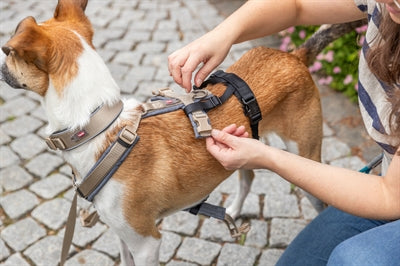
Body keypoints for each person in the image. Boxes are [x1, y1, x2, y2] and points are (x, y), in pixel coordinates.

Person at [168, 0, 400, 265]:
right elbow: (296, 5)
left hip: (392, 194)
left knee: (350, 259)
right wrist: (222, 34)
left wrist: (268, 157)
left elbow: (390, 197)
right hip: (391, 178)